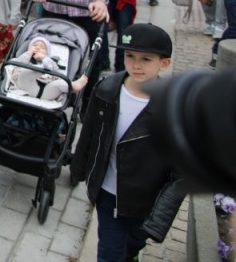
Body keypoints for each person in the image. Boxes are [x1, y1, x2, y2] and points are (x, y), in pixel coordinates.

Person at [70, 24, 184, 262]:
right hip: (108, 192)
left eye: (146, 59)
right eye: (130, 56)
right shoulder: (107, 90)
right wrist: (79, 169)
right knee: (110, 251)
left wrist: (161, 215)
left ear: (164, 64)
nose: (136, 65)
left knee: (132, 245)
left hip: (145, 199)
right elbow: (89, 133)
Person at [5, 36, 87, 103]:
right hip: (26, 88)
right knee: (24, 74)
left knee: (59, 83)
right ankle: (38, 69)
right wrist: (29, 53)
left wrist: (44, 58)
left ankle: (72, 86)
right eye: (35, 45)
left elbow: (53, 69)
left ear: (48, 53)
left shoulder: (51, 60)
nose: (38, 48)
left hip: (47, 91)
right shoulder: (26, 59)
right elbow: (19, 63)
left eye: (42, 47)